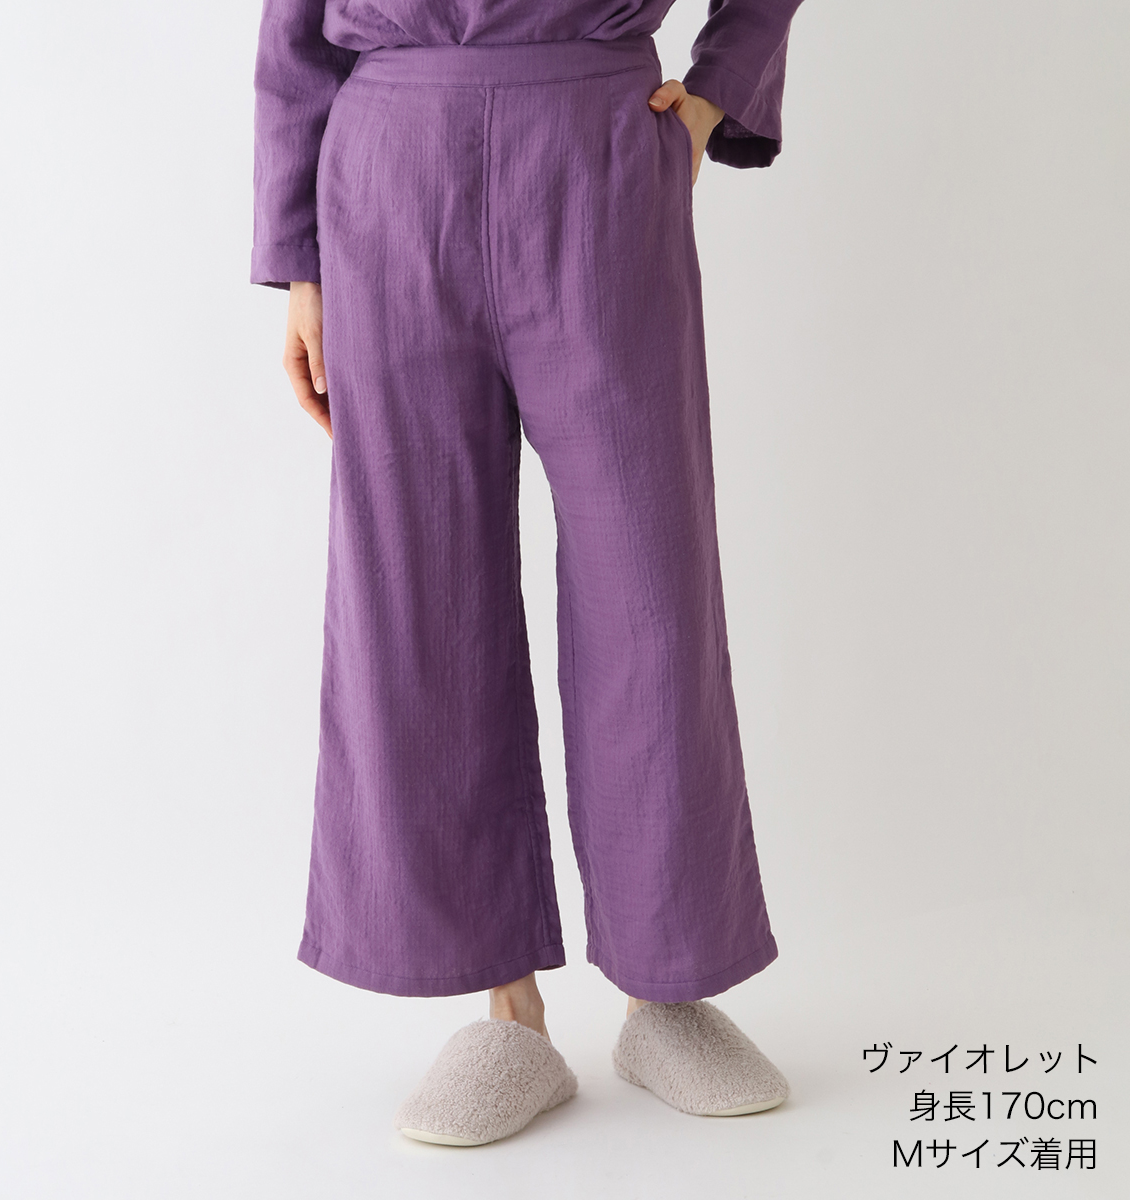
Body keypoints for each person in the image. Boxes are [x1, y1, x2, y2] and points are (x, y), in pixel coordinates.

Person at [252, 0, 805, 1146]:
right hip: (391, 176)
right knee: (419, 597)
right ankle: (504, 1005)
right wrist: (298, 258)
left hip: (597, 155)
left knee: (650, 589)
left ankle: (665, 989)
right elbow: (290, 24)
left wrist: (715, 91)